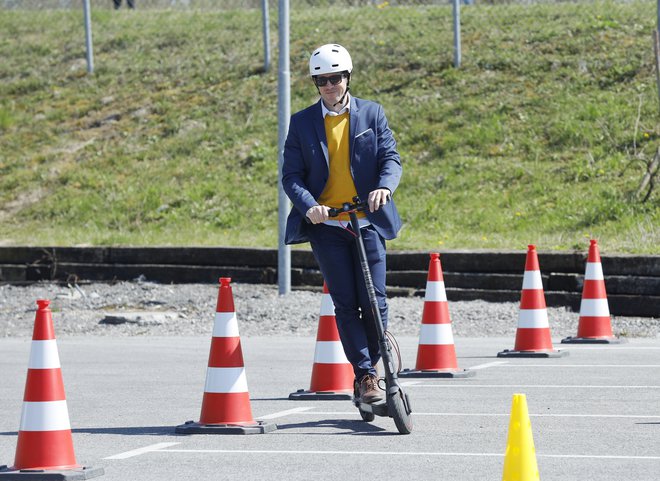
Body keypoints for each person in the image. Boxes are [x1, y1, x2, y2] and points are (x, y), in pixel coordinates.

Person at [282, 44, 402, 404]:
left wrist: (384, 186)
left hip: (367, 222)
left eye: (335, 78)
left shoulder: (371, 114)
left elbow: (390, 158)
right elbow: (291, 175)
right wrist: (310, 206)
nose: (329, 86)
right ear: (315, 83)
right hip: (328, 227)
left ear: (348, 77)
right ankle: (365, 375)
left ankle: (376, 364)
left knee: (376, 301)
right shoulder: (302, 123)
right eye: (322, 80)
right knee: (347, 304)